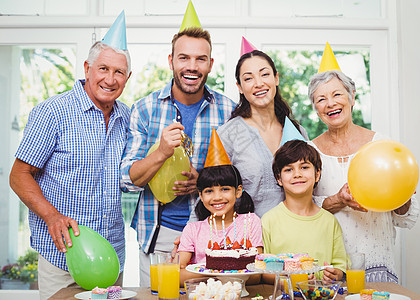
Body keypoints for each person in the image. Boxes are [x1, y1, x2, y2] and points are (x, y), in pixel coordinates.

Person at [8, 12, 132, 299]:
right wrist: (52, 217)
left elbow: (131, 175)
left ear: (127, 77)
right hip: (62, 257)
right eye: (103, 69)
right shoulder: (53, 112)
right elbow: (18, 175)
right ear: (87, 68)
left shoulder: (127, 117)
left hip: (112, 257)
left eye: (119, 72)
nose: (110, 79)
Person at [120, 27, 235, 287]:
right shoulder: (145, 109)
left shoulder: (230, 110)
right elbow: (127, 180)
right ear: (171, 61)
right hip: (159, 235)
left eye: (200, 59)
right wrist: (161, 152)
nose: (192, 66)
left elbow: (240, 177)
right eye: (184, 58)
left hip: (217, 237)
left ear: (210, 64)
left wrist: (205, 181)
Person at [308, 66, 419, 282]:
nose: (330, 103)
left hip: (376, 260)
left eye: (337, 94)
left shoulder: (383, 145)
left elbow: (406, 218)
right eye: (321, 99)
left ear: (352, 97)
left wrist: (401, 196)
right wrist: (338, 200)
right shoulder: (309, 152)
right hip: (328, 268)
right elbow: (302, 210)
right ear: (316, 108)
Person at [217, 50, 308, 218]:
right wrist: (190, 235)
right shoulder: (227, 135)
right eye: (248, 78)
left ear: (276, 78)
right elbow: (212, 192)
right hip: (248, 239)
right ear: (240, 87)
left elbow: (311, 192)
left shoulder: (298, 132)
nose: (258, 83)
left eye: (264, 74)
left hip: (296, 236)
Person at [262, 140, 346, 282]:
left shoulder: (329, 221)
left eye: (304, 167)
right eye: (288, 169)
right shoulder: (268, 221)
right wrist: (288, 281)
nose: (297, 174)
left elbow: (340, 266)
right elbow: (262, 272)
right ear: (279, 178)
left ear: (317, 174)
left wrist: (334, 274)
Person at [179, 164, 263, 285]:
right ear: (201, 196)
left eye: (225, 189)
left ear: (238, 191)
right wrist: (223, 274)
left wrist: (208, 274)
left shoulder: (250, 222)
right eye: (209, 191)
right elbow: (179, 275)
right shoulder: (192, 229)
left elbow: (256, 274)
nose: (217, 197)